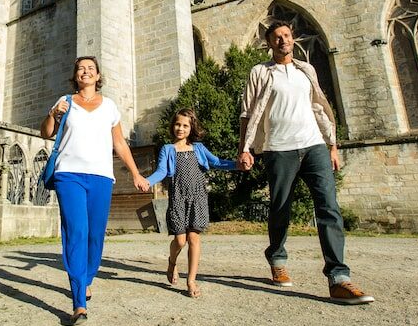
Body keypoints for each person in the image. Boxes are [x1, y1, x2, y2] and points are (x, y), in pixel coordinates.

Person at [237, 20, 374, 304]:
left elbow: (319, 107)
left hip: (313, 146)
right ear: (269, 43)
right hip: (279, 149)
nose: (283, 40)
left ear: (293, 39)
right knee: (280, 208)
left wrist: (332, 145)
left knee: (328, 207)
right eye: (277, 37)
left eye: (286, 35)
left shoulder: (305, 70)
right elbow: (247, 113)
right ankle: (276, 257)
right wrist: (245, 149)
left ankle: (338, 277)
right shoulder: (260, 72)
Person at [41, 56, 150, 325]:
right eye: (81, 68)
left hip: (101, 177)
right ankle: (78, 300)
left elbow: (120, 144)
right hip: (69, 175)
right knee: (76, 232)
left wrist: (136, 173)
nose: (86, 72)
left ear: (98, 76)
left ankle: (87, 278)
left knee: (95, 235)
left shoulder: (110, 106)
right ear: (75, 75)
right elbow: (46, 133)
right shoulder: (64, 102)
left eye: (91, 68)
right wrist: (53, 115)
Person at [147, 108, 234, 298]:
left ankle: (191, 280)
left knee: (194, 238)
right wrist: (148, 181)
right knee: (180, 240)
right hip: (178, 198)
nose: (181, 128)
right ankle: (172, 262)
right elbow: (162, 171)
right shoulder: (168, 149)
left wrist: (237, 164)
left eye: (185, 125)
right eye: (178, 124)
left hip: (198, 198)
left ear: (191, 127)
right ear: (173, 126)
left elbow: (217, 162)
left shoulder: (199, 148)